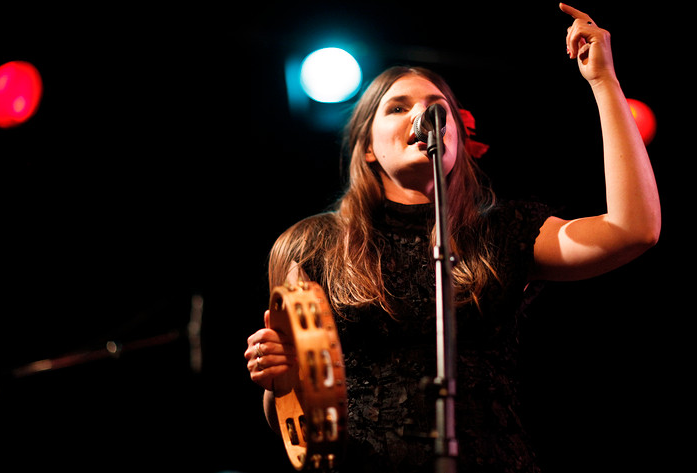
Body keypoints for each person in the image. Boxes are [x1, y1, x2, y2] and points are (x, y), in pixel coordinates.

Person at [244, 4, 661, 472]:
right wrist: (275, 379)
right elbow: (294, 414)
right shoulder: (311, 244)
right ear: (367, 148)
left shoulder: (501, 232)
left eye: (436, 108)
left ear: (459, 141)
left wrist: (604, 83)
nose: (422, 114)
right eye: (397, 107)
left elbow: (633, 229)